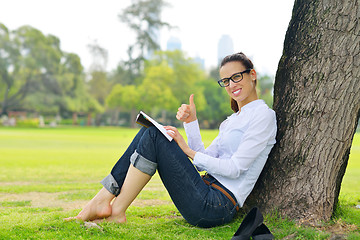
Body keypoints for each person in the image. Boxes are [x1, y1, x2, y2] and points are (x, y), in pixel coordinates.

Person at [65, 52, 277, 228]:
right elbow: (203, 160)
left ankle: (115, 209)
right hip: (203, 191)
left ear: (252, 75)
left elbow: (235, 169)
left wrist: (187, 150)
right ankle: (103, 200)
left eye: (237, 77)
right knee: (150, 132)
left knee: (154, 135)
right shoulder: (231, 121)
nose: (231, 85)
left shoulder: (263, 116)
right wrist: (191, 122)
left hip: (216, 206)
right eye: (226, 81)